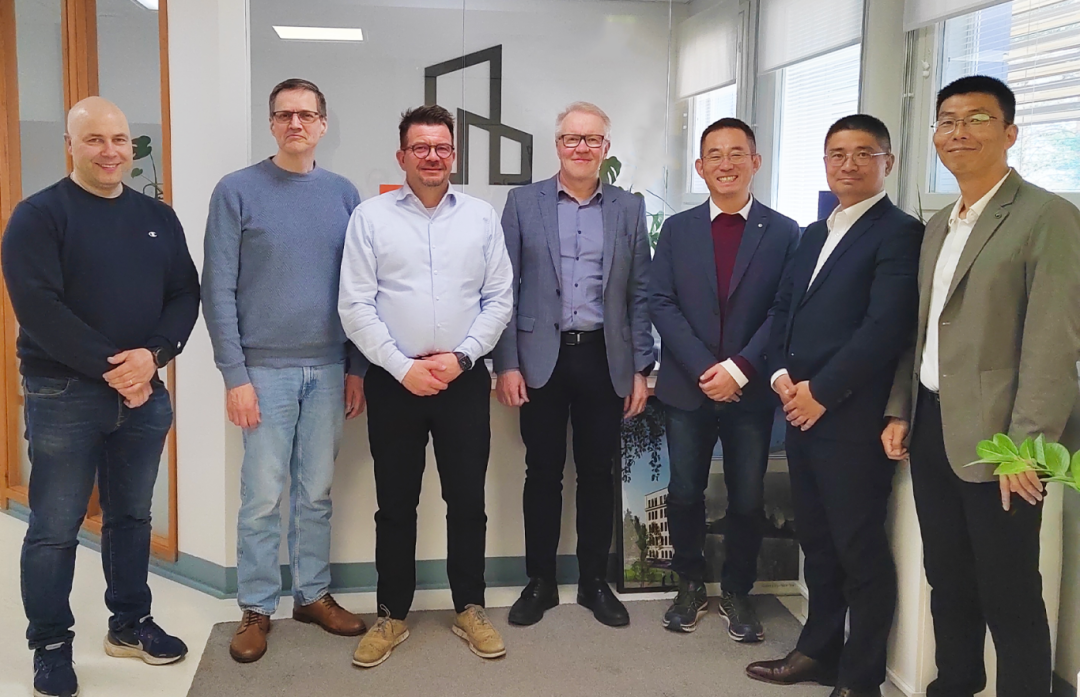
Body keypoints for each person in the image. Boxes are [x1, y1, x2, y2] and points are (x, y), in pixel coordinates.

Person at [883, 75, 1080, 697]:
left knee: (1009, 590)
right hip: (934, 424)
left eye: (976, 119)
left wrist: (1027, 447)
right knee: (947, 576)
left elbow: (1055, 342)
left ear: (1010, 132)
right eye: (947, 120)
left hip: (1003, 440)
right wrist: (900, 408)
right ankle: (956, 682)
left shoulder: (1048, 216)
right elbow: (921, 329)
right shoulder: (940, 223)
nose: (958, 132)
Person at [1, 96, 200, 697]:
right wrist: (119, 370)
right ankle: (50, 644)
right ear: (70, 145)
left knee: (132, 516)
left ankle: (129, 625)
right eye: (94, 139)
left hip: (144, 392)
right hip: (64, 393)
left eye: (119, 139)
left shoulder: (157, 216)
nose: (111, 151)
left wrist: (154, 356)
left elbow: (184, 292)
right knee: (55, 526)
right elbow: (39, 309)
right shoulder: (39, 216)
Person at [746, 115, 922, 697]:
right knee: (817, 543)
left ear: (887, 162)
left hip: (849, 418)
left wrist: (820, 392)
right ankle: (817, 652)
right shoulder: (815, 233)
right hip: (799, 410)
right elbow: (784, 310)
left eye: (863, 153)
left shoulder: (899, 232)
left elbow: (884, 327)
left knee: (858, 549)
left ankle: (860, 677)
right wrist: (779, 376)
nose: (848, 164)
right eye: (836, 154)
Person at [340, 104, 513, 667]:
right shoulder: (370, 218)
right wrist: (400, 366)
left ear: (454, 155)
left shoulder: (481, 218)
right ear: (402, 156)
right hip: (395, 382)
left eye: (441, 147)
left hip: (463, 380)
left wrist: (461, 358)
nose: (432, 156)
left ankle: (470, 607)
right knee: (395, 503)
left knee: (467, 501)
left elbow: (499, 300)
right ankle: (391, 614)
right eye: (421, 147)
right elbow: (355, 305)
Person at [202, 78, 368, 664]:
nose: (295, 123)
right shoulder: (237, 191)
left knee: (316, 493)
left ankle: (312, 595)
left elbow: (358, 290)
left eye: (305, 114)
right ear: (271, 123)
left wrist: (355, 369)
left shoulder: (344, 195)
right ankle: (255, 606)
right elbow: (217, 289)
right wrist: (235, 376)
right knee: (262, 498)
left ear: (323, 124)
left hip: (328, 368)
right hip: (263, 373)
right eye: (284, 115)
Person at [493, 101, 654, 629]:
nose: (581, 147)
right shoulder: (523, 202)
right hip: (540, 358)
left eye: (592, 139)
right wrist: (507, 363)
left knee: (597, 473)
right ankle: (539, 582)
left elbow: (639, 293)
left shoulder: (629, 208)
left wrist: (641, 367)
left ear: (606, 147)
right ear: (557, 144)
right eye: (571, 138)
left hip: (605, 358)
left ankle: (593, 582)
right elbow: (503, 289)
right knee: (541, 472)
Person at [648, 118, 798, 639]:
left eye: (737, 153)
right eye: (714, 154)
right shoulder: (678, 229)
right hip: (687, 388)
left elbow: (783, 310)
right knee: (684, 493)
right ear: (700, 166)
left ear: (756, 162)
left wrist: (738, 369)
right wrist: (702, 367)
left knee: (748, 498)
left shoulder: (785, 231)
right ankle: (689, 584)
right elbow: (660, 301)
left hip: (750, 390)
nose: (726, 163)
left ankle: (738, 590)